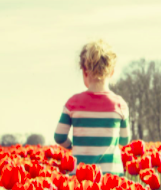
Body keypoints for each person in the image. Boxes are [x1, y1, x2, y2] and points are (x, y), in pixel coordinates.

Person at [54, 39, 131, 175]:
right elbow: (125, 140)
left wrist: (72, 146)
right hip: (111, 175)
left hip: (81, 176)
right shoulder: (119, 105)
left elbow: (59, 136)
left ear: (84, 71)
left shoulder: (73, 103)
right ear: (112, 72)